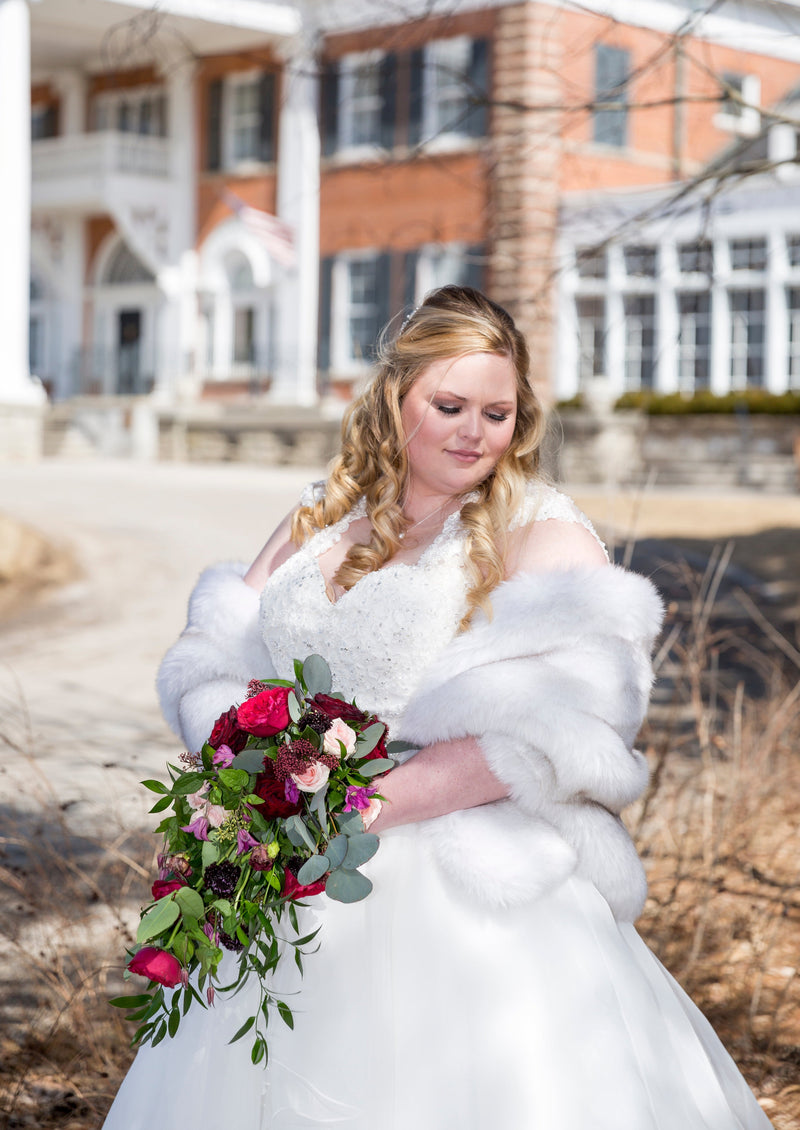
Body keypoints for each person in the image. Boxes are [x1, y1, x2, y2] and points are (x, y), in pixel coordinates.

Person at [104, 286, 772, 1129]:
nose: (474, 432)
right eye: (449, 405)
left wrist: (353, 809)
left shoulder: (541, 534)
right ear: (395, 399)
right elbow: (214, 657)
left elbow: (556, 725)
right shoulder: (321, 512)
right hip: (288, 865)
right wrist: (255, 783)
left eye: (498, 412)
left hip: (470, 884)